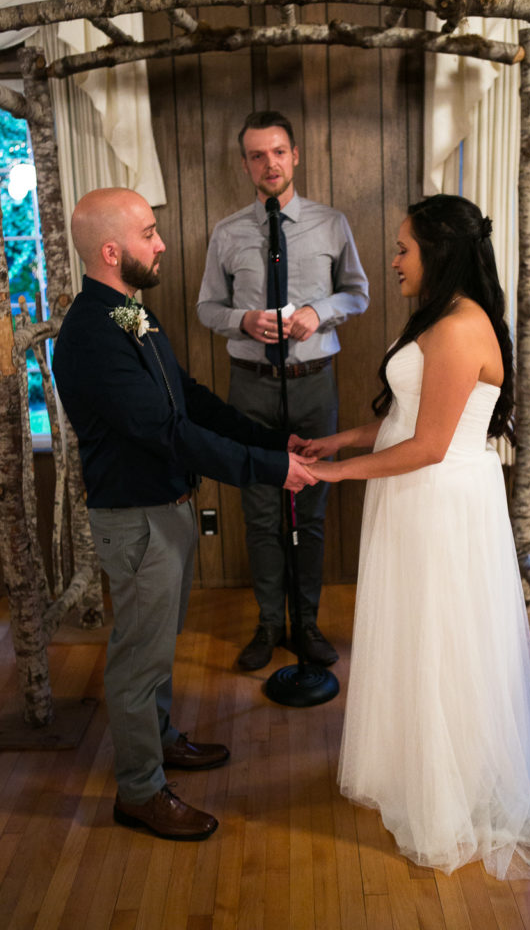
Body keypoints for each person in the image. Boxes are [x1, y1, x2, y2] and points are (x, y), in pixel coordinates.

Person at [304, 194, 530, 878]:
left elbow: (429, 445)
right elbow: (402, 423)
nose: (393, 261)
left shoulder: (457, 328)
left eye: (403, 248)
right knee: (414, 633)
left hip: (440, 498)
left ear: (437, 254)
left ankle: (450, 793)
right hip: (419, 493)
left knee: (440, 638)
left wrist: (335, 476)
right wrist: (333, 444)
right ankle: (410, 766)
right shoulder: (441, 317)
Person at [53, 187, 316, 842]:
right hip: (136, 518)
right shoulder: (91, 334)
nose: (162, 242)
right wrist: (270, 470)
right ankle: (139, 791)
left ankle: (161, 738)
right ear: (112, 251)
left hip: (168, 507)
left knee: (156, 646)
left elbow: (187, 397)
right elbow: (167, 433)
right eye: (149, 233)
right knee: (137, 659)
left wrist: (264, 439)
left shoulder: (129, 314)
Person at [198, 110, 369, 671]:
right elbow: (206, 307)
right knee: (261, 511)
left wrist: (320, 312)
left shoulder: (331, 223)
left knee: (311, 510)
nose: (268, 164)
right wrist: (242, 322)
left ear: (295, 155)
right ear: (245, 162)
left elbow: (358, 294)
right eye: (256, 155)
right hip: (250, 388)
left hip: (314, 386)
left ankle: (309, 624)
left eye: (277, 152)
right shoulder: (227, 232)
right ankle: (269, 624)